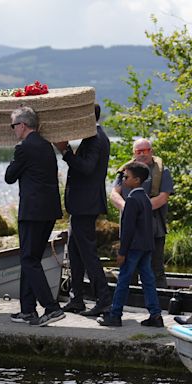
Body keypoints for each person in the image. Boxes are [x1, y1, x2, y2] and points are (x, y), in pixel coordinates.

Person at [5, 106, 65, 327]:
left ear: (22, 125)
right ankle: (27, 310)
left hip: (32, 212)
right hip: (49, 210)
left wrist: (15, 156)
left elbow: (9, 177)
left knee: (29, 259)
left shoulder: (24, 148)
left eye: (13, 126)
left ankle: (51, 307)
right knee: (31, 259)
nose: (13, 130)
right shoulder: (46, 145)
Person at [54, 104, 112, 316]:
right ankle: (76, 298)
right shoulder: (94, 136)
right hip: (81, 205)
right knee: (76, 254)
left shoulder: (95, 137)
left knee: (88, 254)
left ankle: (104, 299)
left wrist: (65, 151)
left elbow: (86, 168)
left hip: (85, 205)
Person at [98, 162, 163, 327]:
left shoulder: (132, 200)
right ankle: (156, 315)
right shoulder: (146, 200)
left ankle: (115, 315)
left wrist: (122, 251)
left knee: (124, 279)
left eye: (126, 177)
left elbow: (128, 229)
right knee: (148, 280)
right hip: (146, 247)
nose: (123, 179)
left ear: (137, 180)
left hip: (133, 247)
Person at [110, 138, 174, 288]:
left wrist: (139, 209)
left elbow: (164, 197)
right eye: (139, 151)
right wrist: (127, 207)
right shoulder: (126, 171)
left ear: (151, 151)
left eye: (146, 150)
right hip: (129, 230)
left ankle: (160, 301)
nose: (143, 154)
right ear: (134, 153)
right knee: (128, 268)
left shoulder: (162, 171)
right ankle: (128, 300)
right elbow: (114, 194)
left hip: (153, 229)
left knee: (156, 269)